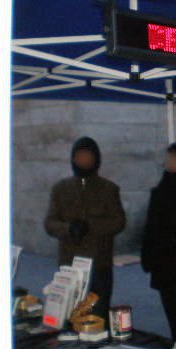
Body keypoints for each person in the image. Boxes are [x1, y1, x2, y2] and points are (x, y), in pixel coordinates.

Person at [44, 137, 126, 320]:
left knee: (97, 315)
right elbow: (49, 222)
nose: (84, 160)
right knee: (68, 313)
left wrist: (91, 226)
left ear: (96, 159)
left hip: (99, 263)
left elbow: (118, 221)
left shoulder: (108, 189)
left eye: (88, 156)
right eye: (80, 156)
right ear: (73, 159)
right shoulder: (60, 189)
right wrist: (68, 228)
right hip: (69, 264)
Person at [141, 143, 176, 349]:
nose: (167, 162)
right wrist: (148, 256)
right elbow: (151, 226)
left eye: (170, 158)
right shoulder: (162, 188)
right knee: (174, 315)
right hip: (164, 262)